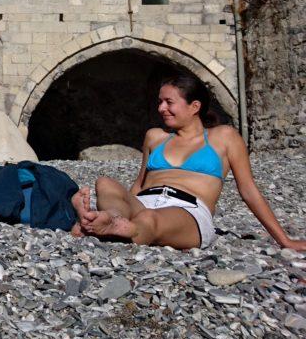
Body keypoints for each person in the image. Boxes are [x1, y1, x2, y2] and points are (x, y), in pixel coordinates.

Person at [71, 74, 306, 250]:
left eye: (169, 102)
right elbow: (138, 186)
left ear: (195, 106)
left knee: (149, 220)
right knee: (105, 182)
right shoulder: (155, 136)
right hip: (145, 201)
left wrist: (284, 240)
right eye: (160, 102)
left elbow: (248, 191)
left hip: (188, 210)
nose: (161, 108)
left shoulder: (223, 137)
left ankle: (103, 226)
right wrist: (124, 201)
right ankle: (109, 218)